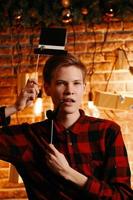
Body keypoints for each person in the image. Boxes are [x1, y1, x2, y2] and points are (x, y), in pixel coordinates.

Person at [0, 53, 133, 200]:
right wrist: (14, 107)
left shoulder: (107, 132)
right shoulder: (29, 137)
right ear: (47, 88)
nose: (70, 90)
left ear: (83, 87)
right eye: (61, 83)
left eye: (76, 83)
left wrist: (68, 173)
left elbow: (123, 197)